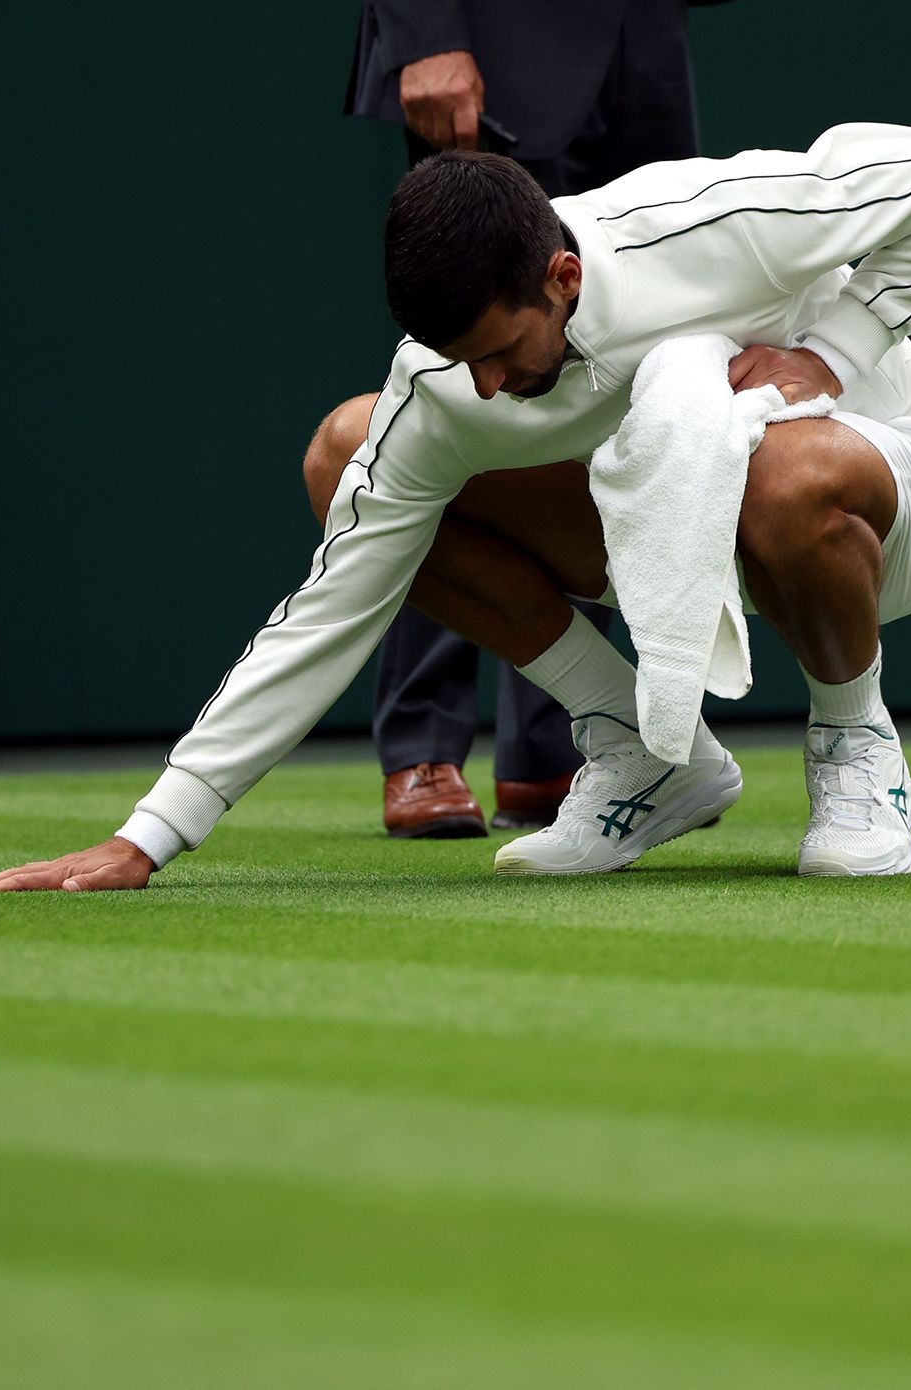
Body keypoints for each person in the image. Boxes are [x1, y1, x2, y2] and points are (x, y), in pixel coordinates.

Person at [0, 122, 911, 893]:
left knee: (781, 474)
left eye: (502, 353)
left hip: (892, 503)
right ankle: (637, 751)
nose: (487, 388)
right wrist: (149, 835)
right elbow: (332, 609)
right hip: (661, 530)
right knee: (344, 452)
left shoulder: (706, 223)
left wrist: (834, 352)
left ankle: (853, 739)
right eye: (465, 365)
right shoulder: (446, 385)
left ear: (559, 275)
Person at [347, 0, 714, 839]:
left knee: (615, 363)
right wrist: (425, 33)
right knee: (472, 372)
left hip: (643, 33)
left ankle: (555, 745)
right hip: (497, 37)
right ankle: (423, 743)